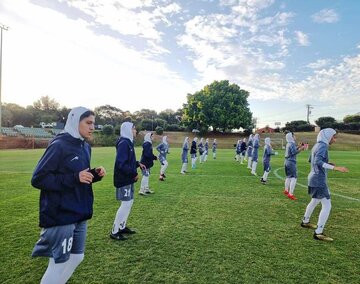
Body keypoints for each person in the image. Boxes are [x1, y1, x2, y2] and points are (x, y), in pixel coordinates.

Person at [31, 107, 106, 284]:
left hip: (80, 212)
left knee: (76, 258)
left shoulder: (85, 147)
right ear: (74, 121)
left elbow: (78, 177)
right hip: (61, 215)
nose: (92, 127)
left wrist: (94, 175)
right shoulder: (59, 145)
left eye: (94, 123)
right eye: (88, 123)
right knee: (57, 264)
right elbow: (38, 178)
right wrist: (75, 177)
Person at [300, 128, 348, 241]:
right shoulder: (323, 146)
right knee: (327, 205)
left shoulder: (316, 145)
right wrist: (335, 168)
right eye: (334, 137)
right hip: (318, 180)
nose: (334, 140)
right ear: (328, 136)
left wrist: (327, 163)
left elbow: (311, 160)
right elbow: (317, 161)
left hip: (313, 177)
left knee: (315, 201)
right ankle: (318, 232)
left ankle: (305, 221)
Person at [111, 122, 145, 240]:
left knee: (129, 203)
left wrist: (137, 164)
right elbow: (121, 164)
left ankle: (122, 226)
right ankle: (114, 231)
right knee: (125, 204)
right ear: (127, 129)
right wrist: (133, 173)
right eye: (133, 128)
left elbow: (128, 161)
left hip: (128, 178)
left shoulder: (128, 142)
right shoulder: (124, 143)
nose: (135, 131)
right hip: (123, 179)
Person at [283, 132, 305, 200]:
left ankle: (286, 190)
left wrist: (298, 146)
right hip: (291, 162)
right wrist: (300, 149)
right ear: (291, 137)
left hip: (286, 161)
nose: (295, 136)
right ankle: (290, 194)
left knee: (288, 177)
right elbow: (293, 152)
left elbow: (291, 150)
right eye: (293, 135)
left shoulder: (288, 143)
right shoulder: (292, 143)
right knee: (294, 177)